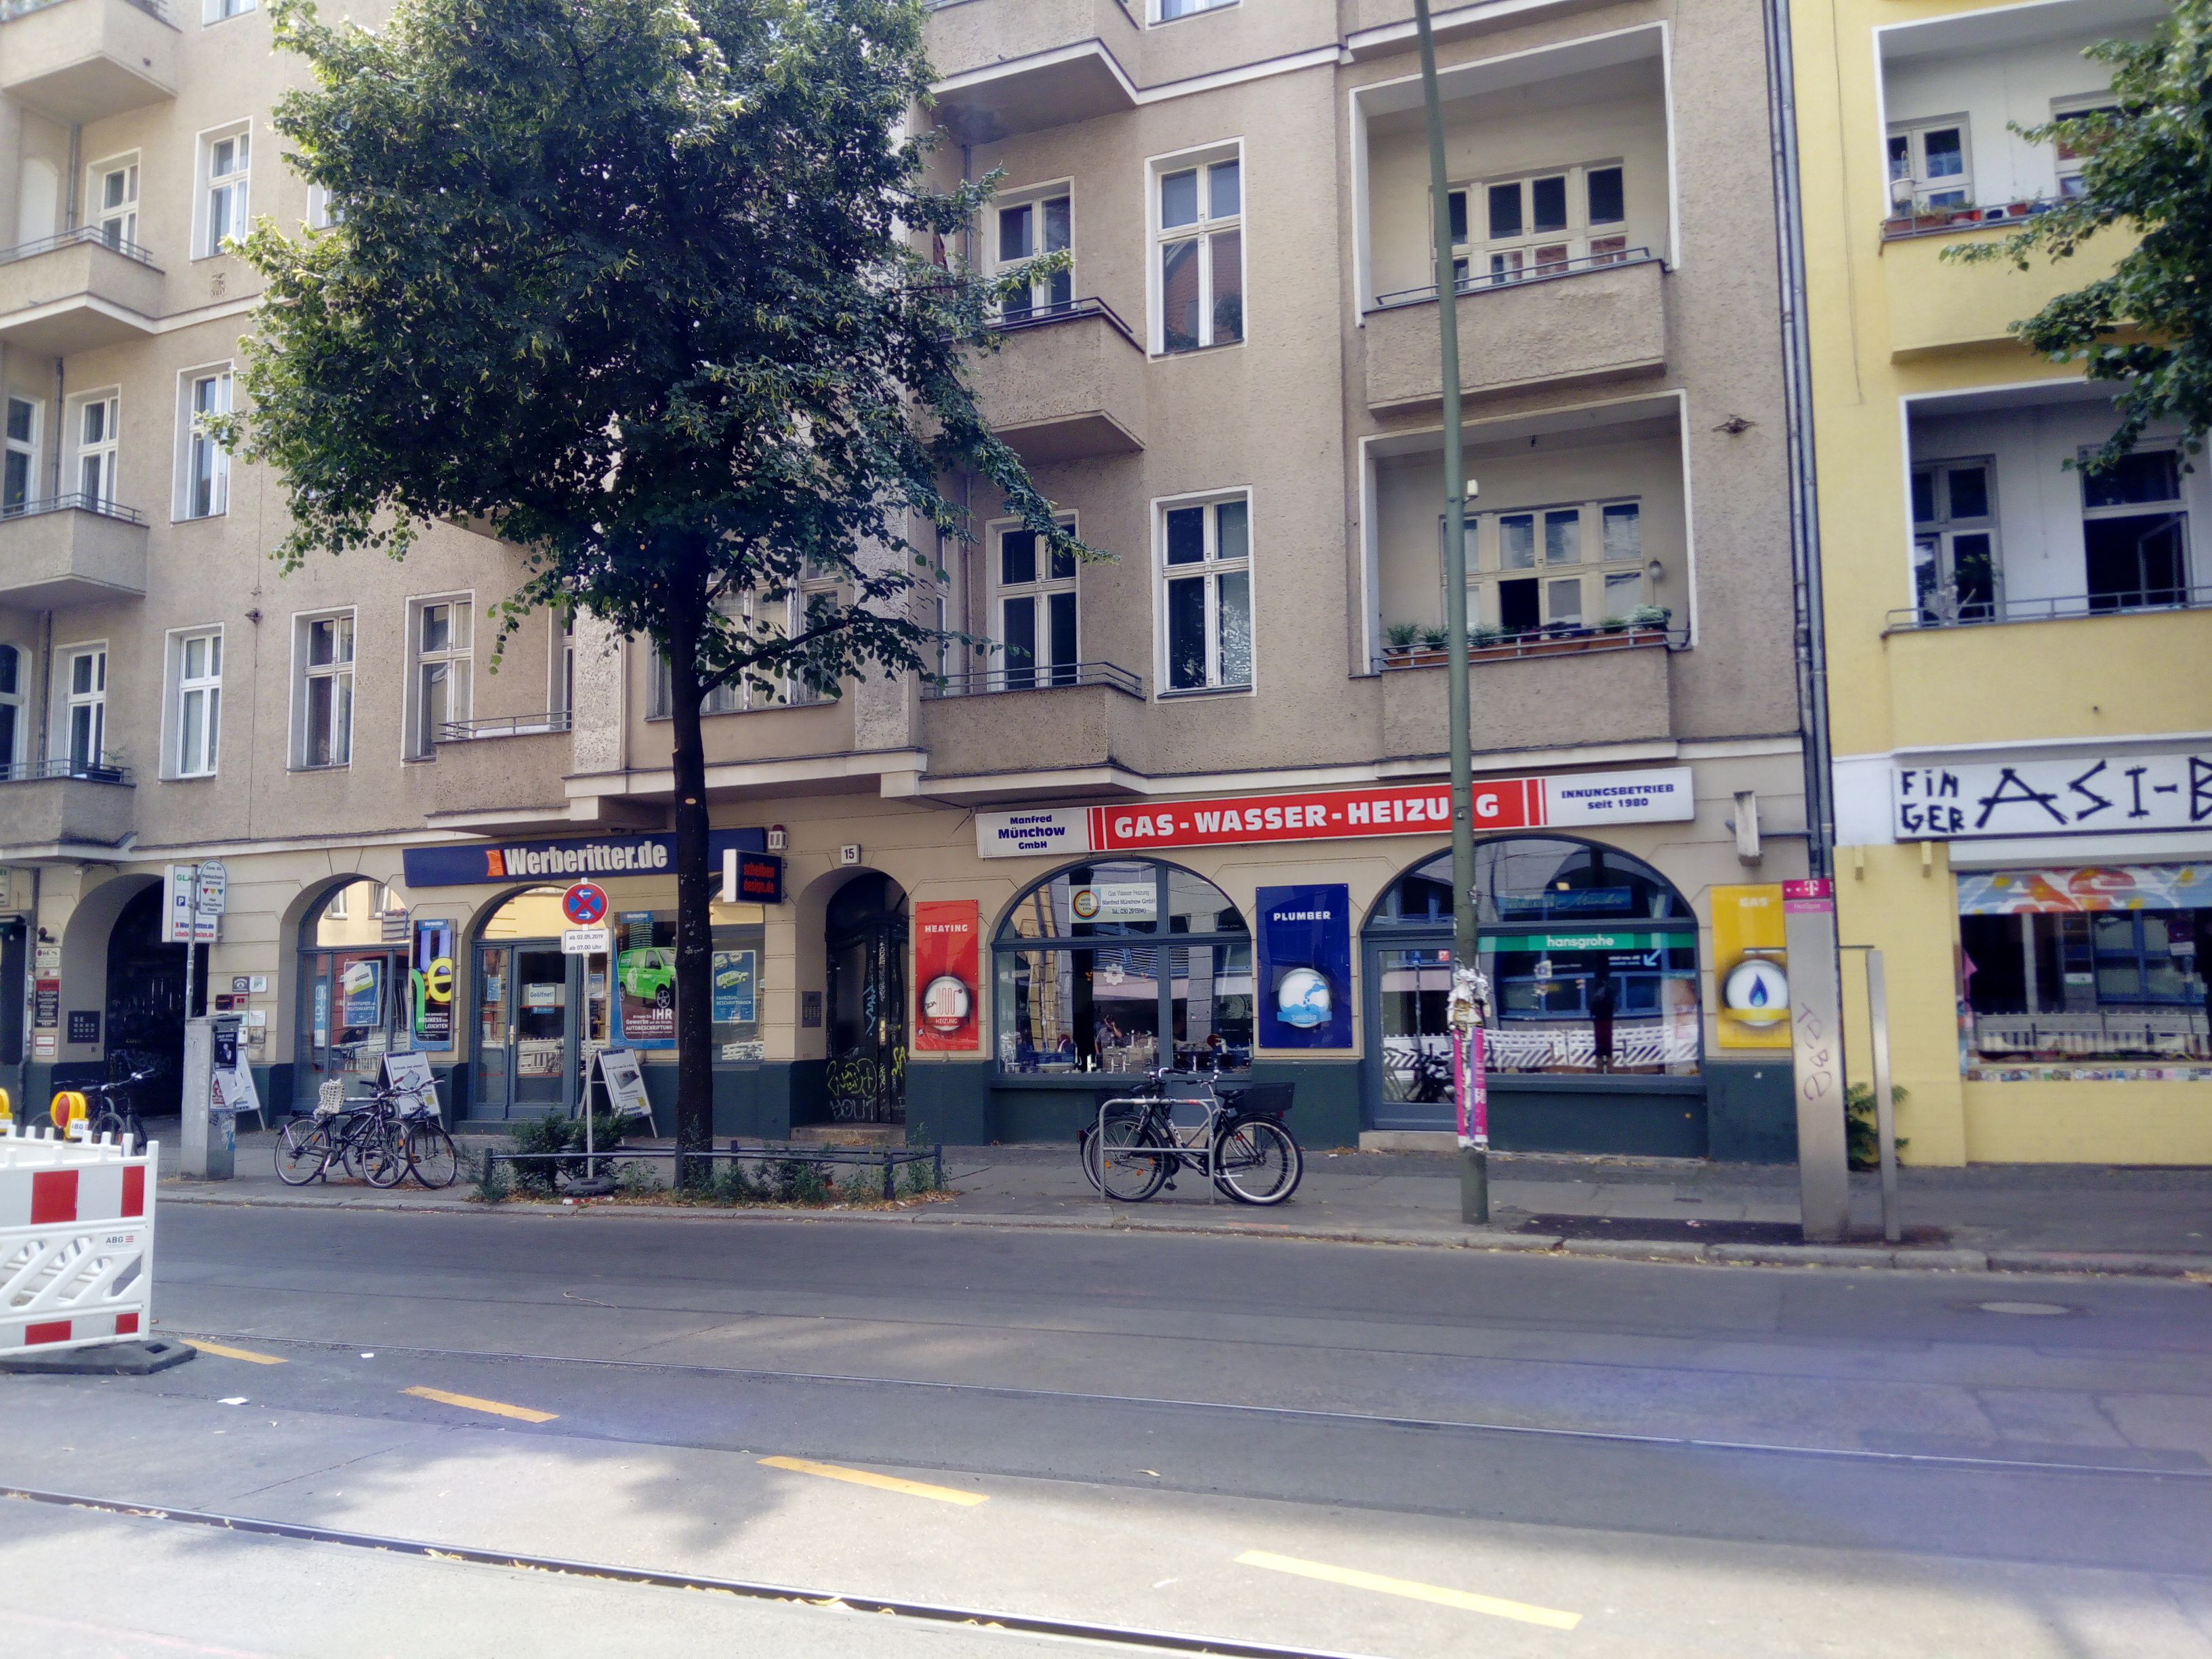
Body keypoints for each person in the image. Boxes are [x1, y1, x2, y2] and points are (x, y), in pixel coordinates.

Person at [1587, 966, 1619, 1072]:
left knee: (1601, 1045)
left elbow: (1593, 1006)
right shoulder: (1609, 990)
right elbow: (1613, 1004)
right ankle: (1608, 1068)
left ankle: (1601, 1068)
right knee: (1606, 1044)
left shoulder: (1598, 991)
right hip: (1606, 1020)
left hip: (1600, 1020)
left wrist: (1593, 1013)